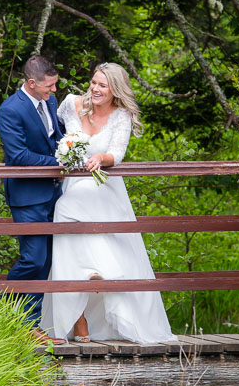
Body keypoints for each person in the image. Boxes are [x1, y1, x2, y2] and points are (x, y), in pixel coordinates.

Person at [40, 62, 177, 344]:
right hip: (74, 188)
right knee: (66, 223)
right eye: (93, 83)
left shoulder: (120, 115)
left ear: (115, 89)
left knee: (113, 253)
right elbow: (50, 134)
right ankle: (77, 319)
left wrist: (101, 159)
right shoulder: (71, 104)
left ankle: (109, 294)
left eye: (102, 85)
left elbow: (117, 152)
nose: (95, 89)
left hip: (104, 188)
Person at [0, 55, 65, 343]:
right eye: (49, 86)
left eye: (55, 85)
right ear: (31, 83)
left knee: (47, 259)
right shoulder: (10, 110)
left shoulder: (49, 102)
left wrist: (71, 151)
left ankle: (29, 325)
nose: (53, 91)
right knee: (33, 257)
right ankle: (4, 312)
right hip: (27, 195)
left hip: (54, 192)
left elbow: (57, 136)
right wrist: (56, 162)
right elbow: (18, 156)